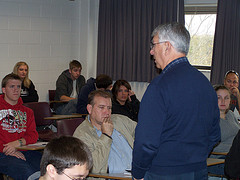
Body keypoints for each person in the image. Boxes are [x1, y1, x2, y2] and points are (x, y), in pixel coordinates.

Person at [132, 22, 221, 180]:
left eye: (153, 45)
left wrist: (138, 172)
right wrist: (195, 158)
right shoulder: (206, 85)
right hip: (199, 171)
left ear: (167, 46)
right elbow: (214, 135)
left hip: (163, 172)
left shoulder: (159, 86)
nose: (151, 51)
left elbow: (146, 141)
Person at [73, 90, 137, 174]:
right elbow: (92, 168)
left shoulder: (120, 120)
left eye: (109, 108)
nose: (107, 112)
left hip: (140, 172)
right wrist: (106, 136)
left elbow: (143, 133)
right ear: (90, 109)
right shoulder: (82, 134)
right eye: (101, 107)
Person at [0, 73, 42, 179]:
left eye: (18, 86)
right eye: (12, 86)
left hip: (25, 150)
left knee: (50, 168)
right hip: (3, 153)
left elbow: (33, 135)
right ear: (4, 90)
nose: (16, 90)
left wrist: (17, 144)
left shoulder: (28, 112)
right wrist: (9, 149)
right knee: (29, 174)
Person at [208, 85, 240, 176]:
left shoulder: (230, 114)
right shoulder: (210, 119)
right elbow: (209, 145)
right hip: (218, 160)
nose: (223, 101)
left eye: (226, 98)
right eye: (219, 98)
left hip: (234, 157)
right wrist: (233, 150)